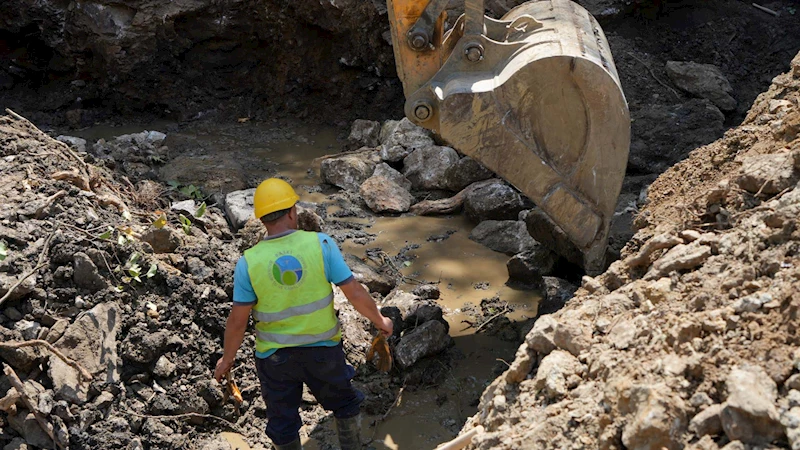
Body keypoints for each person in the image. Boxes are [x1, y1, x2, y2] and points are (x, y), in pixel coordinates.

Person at [213, 178, 394, 450]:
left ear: (262, 219)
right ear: (291, 212)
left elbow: (237, 322)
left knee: (282, 420)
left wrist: (227, 359)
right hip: (323, 352)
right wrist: (380, 320)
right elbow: (354, 293)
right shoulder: (320, 244)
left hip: (275, 360)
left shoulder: (248, 262)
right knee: (344, 404)